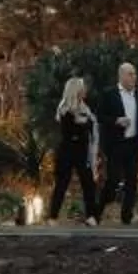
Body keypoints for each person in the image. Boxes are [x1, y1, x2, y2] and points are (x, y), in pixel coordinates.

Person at [98, 60, 138, 225]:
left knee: (132, 181)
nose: (134, 77)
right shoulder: (109, 94)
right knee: (113, 180)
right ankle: (96, 213)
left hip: (133, 144)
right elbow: (100, 116)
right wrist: (116, 120)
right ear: (121, 76)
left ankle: (127, 217)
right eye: (130, 74)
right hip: (116, 145)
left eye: (135, 74)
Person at [49, 73, 103, 225]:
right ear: (75, 90)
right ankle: (52, 216)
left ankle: (91, 216)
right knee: (62, 183)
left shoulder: (85, 109)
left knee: (88, 183)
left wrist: (87, 124)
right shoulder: (65, 110)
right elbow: (70, 131)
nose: (85, 90)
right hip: (67, 151)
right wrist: (83, 124)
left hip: (82, 151)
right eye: (82, 88)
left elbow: (90, 126)